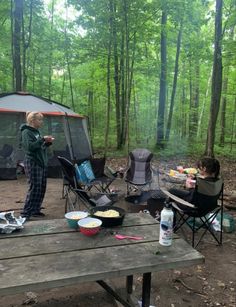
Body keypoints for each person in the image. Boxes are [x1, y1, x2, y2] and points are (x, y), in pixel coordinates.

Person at [20, 112, 55, 220]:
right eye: (39, 119)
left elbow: (39, 147)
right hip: (33, 162)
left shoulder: (37, 132)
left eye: (41, 119)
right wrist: (42, 139)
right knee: (34, 188)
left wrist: (47, 143)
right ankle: (25, 213)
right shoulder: (26, 132)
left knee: (41, 188)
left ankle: (35, 209)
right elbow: (30, 147)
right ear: (32, 120)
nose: (41, 122)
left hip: (41, 162)